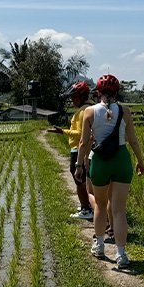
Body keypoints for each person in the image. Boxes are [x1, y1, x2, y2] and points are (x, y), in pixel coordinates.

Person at [76, 74, 144, 268]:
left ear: (98, 92)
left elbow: (83, 143)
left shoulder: (89, 112)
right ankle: (121, 255)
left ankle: (99, 246)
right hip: (121, 160)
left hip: (100, 161)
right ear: (117, 92)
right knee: (119, 210)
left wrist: (79, 165)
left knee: (100, 204)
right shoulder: (125, 111)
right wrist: (140, 161)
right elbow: (133, 140)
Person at [47, 81, 93, 220]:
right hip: (82, 149)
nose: (72, 100)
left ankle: (86, 208)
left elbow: (80, 134)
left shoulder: (82, 112)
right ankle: (87, 205)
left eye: (74, 97)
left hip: (78, 149)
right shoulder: (89, 109)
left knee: (79, 180)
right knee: (84, 179)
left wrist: (63, 132)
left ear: (81, 96)